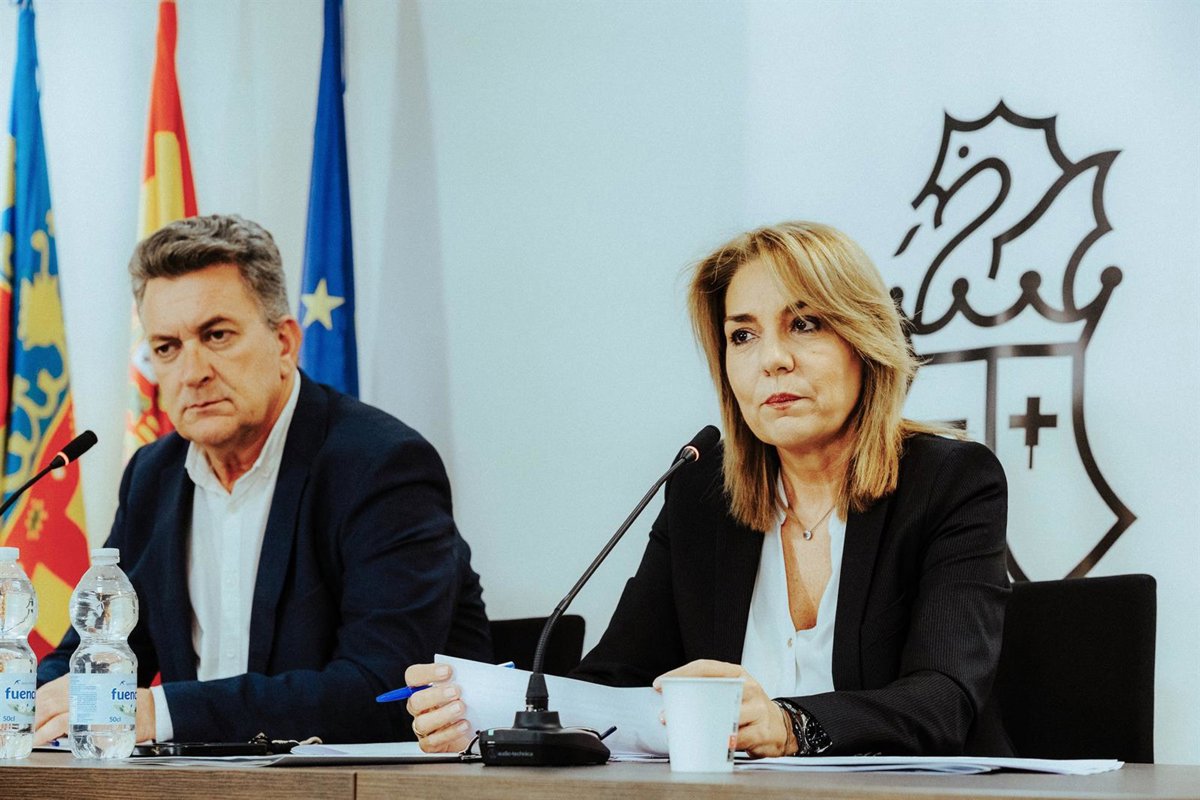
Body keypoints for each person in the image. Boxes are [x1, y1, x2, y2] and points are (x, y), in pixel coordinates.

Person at [406, 221, 1010, 757]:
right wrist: (495, 719)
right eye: (742, 336)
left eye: (804, 324)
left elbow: (944, 699)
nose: (772, 359)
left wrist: (791, 725)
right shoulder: (702, 491)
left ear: (866, 341)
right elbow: (616, 677)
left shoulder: (949, 482)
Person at [35, 214, 492, 744]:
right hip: (195, 781)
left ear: (284, 342)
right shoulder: (153, 477)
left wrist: (158, 711)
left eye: (217, 335)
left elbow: (386, 688)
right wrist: (23, 697)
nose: (192, 372)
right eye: (166, 348)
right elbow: (95, 654)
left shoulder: (381, 466)